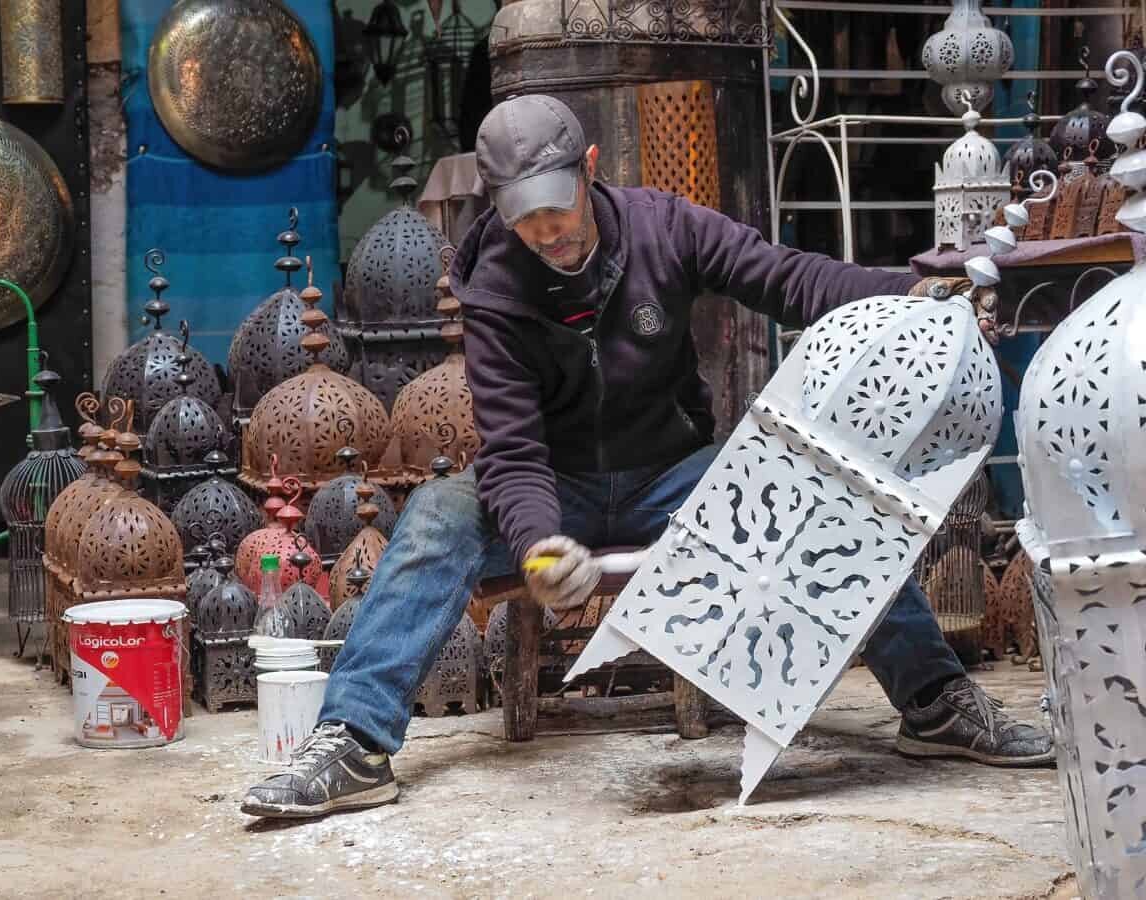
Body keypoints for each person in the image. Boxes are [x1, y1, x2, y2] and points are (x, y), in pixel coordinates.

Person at [241, 95, 1051, 820]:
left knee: (812, 494)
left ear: (590, 169)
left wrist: (902, 291)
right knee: (435, 515)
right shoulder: (492, 288)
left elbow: (787, 278)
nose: (546, 233)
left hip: (674, 477)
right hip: (553, 489)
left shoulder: (668, 226)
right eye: (524, 219)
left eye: (557, 210)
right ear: (496, 205)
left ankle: (936, 701)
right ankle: (354, 740)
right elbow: (514, 450)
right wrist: (538, 545)